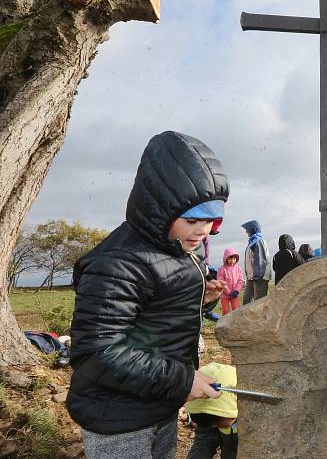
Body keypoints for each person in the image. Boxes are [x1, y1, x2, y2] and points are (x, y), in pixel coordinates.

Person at [67, 131, 228, 459]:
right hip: (118, 417)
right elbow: (97, 351)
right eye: (193, 220)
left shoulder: (177, 249)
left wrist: (200, 301)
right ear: (160, 209)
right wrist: (182, 381)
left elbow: (154, 319)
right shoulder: (119, 263)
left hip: (158, 402)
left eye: (213, 220)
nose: (204, 230)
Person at [184, 362, 238, 459]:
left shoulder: (250, 421)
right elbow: (204, 441)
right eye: (206, 422)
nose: (212, 426)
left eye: (217, 419)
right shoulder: (207, 419)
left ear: (235, 404)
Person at [241, 220, 271, 303]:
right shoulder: (253, 241)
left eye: (247, 229)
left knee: (259, 303)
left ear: (253, 229)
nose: (246, 231)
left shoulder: (258, 242)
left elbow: (260, 261)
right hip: (252, 277)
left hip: (259, 277)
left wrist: (257, 277)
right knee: (246, 301)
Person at [217, 248, 244, 315]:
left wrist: (237, 291)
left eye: (234, 259)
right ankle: (225, 324)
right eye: (230, 259)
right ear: (226, 259)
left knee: (236, 309)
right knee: (226, 311)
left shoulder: (238, 269)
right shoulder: (222, 269)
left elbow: (240, 281)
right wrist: (228, 292)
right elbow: (221, 282)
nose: (232, 261)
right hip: (224, 295)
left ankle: (235, 323)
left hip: (235, 294)